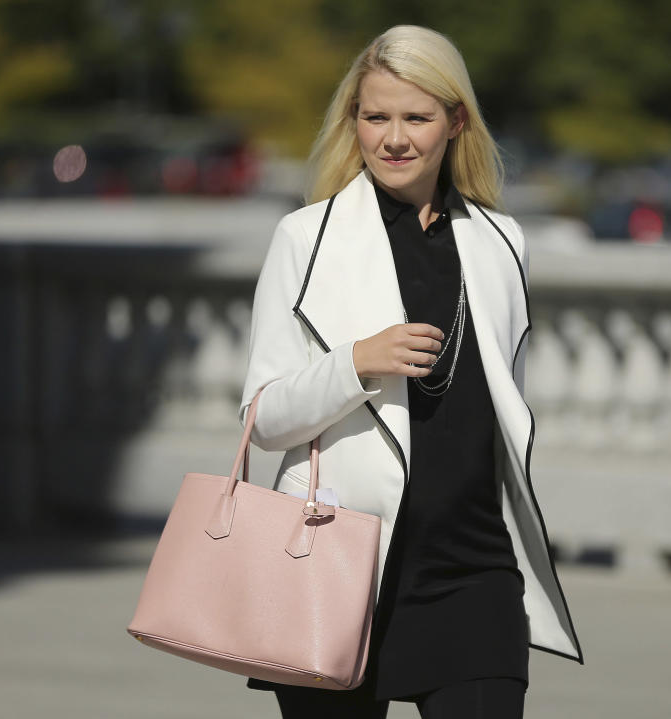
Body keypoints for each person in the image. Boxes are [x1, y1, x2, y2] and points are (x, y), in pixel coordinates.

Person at [238, 24, 583, 719]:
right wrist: (356, 363)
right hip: (334, 564)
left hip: (474, 572)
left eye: (416, 118)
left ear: (456, 122)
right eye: (376, 116)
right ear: (354, 121)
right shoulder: (305, 239)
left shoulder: (500, 241)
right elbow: (264, 418)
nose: (394, 138)